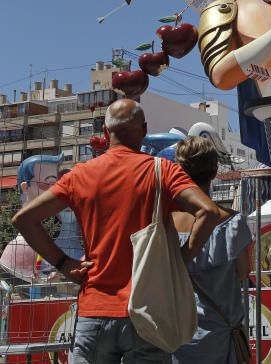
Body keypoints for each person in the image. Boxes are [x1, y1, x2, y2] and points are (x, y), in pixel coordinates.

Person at [12, 99, 224, 364]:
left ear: (105, 130)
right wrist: (181, 259)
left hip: (95, 309)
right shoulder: (162, 171)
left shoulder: (80, 175)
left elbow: (24, 219)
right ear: (144, 129)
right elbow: (210, 212)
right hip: (149, 310)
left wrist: (64, 263)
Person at [171, 136, 252, 364]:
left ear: (180, 171)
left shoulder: (167, 224)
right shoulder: (233, 223)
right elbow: (243, 272)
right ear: (215, 171)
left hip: (179, 338)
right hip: (222, 338)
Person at [1, 153, 63, 281]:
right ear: (25, 187)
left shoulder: (50, 234)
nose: (56, 189)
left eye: (57, 183)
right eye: (50, 183)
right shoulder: (20, 247)